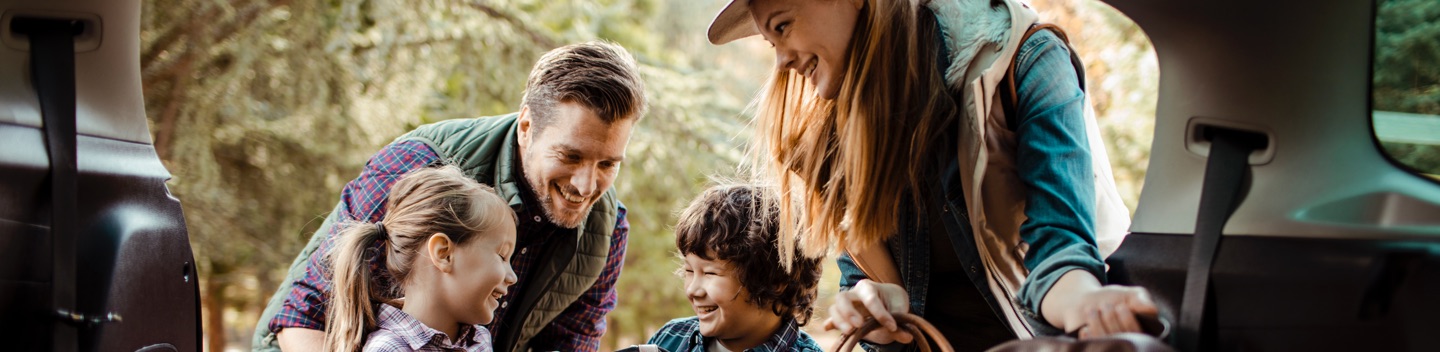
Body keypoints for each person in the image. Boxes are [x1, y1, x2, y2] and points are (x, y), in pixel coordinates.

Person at [705, 0, 1155, 350]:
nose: (781, 60)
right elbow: (867, 285)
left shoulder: (1026, 61)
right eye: (771, 43)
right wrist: (872, 315)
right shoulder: (835, 144)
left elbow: (1062, 252)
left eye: (782, 26)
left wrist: (1086, 303)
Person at [252, 41, 648, 352]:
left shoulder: (607, 230)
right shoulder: (418, 166)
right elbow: (303, 316)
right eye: (570, 156)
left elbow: (569, 345)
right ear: (527, 126)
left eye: (608, 165)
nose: (585, 185)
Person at [325, 166, 517, 352]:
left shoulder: (478, 341)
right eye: (502, 256)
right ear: (444, 253)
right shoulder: (389, 349)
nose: (512, 277)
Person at [646, 184, 825, 352]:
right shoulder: (670, 339)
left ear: (775, 280)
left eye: (709, 273)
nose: (693, 290)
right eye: (689, 271)